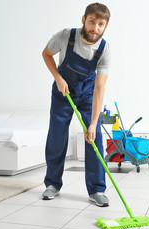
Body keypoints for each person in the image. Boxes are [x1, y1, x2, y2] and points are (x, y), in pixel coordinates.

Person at [41, 3, 111, 207]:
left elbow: (99, 89)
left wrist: (93, 123)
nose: (95, 28)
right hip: (63, 92)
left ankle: (97, 190)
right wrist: (57, 78)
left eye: (101, 24)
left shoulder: (105, 49)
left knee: (94, 137)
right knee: (57, 136)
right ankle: (52, 184)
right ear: (83, 19)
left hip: (88, 95)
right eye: (92, 22)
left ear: (105, 26)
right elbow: (46, 54)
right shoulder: (65, 36)